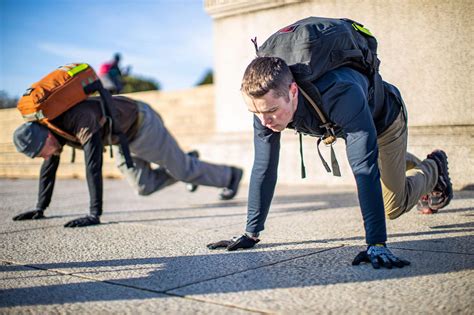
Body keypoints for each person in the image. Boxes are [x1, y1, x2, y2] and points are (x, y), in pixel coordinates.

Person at [207, 56, 453, 269]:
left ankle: (434, 167)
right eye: (255, 112)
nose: (264, 121)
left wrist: (376, 244)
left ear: (293, 91)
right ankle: (395, 164)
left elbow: (364, 168)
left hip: (385, 122)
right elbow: (264, 166)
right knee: (383, 167)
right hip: (352, 126)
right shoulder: (264, 109)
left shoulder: (340, 92)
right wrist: (251, 232)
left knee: (392, 206)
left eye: (271, 110)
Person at [12, 96, 243, 227]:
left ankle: (230, 176)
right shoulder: (52, 131)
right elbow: (49, 167)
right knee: (144, 187)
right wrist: (40, 209)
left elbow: (93, 165)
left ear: (46, 137)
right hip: (122, 140)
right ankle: (185, 160)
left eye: (39, 151)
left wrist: (94, 214)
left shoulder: (78, 121)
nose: (42, 157)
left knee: (184, 171)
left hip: (142, 126)